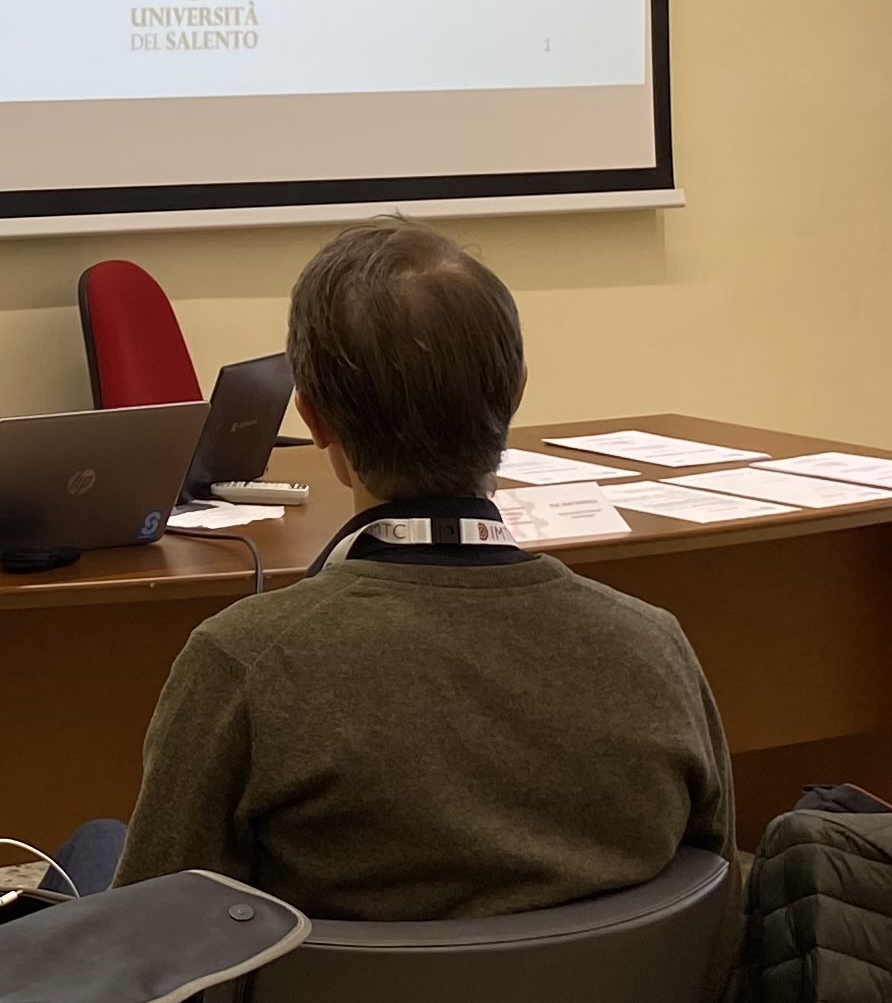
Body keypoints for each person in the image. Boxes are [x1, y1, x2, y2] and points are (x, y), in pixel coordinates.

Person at [104, 217, 735, 951]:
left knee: (94, 848)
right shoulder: (655, 649)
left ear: (315, 420)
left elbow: (147, 958)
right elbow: (719, 929)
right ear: (516, 394)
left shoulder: (243, 664)